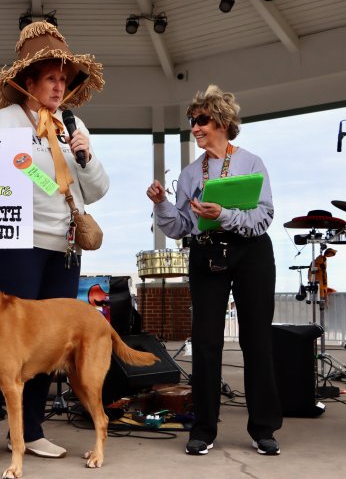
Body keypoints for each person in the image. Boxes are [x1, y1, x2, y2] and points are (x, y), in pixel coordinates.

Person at [0, 20, 109, 461]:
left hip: (63, 247)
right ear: (29, 81)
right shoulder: (2, 123)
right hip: (16, 246)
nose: (59, 86)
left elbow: (98, 190)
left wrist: (84, 156)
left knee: (48, 343)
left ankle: (31, 430)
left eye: (64, 79)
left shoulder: (72, 124)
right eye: (51, 78)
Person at [147, 84, 282, 456]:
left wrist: (223, 214)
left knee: (257, 340)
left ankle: (264, 429)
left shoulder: (252, 162)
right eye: (192, 121)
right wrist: (161, 204)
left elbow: (264, 216)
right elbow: (179, 227)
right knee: (205, 342)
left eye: (201, 120)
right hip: (206, 254)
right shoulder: (192, 173)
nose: (195, 127)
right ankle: (203, 429)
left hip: (251, 253)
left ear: (222, 120)